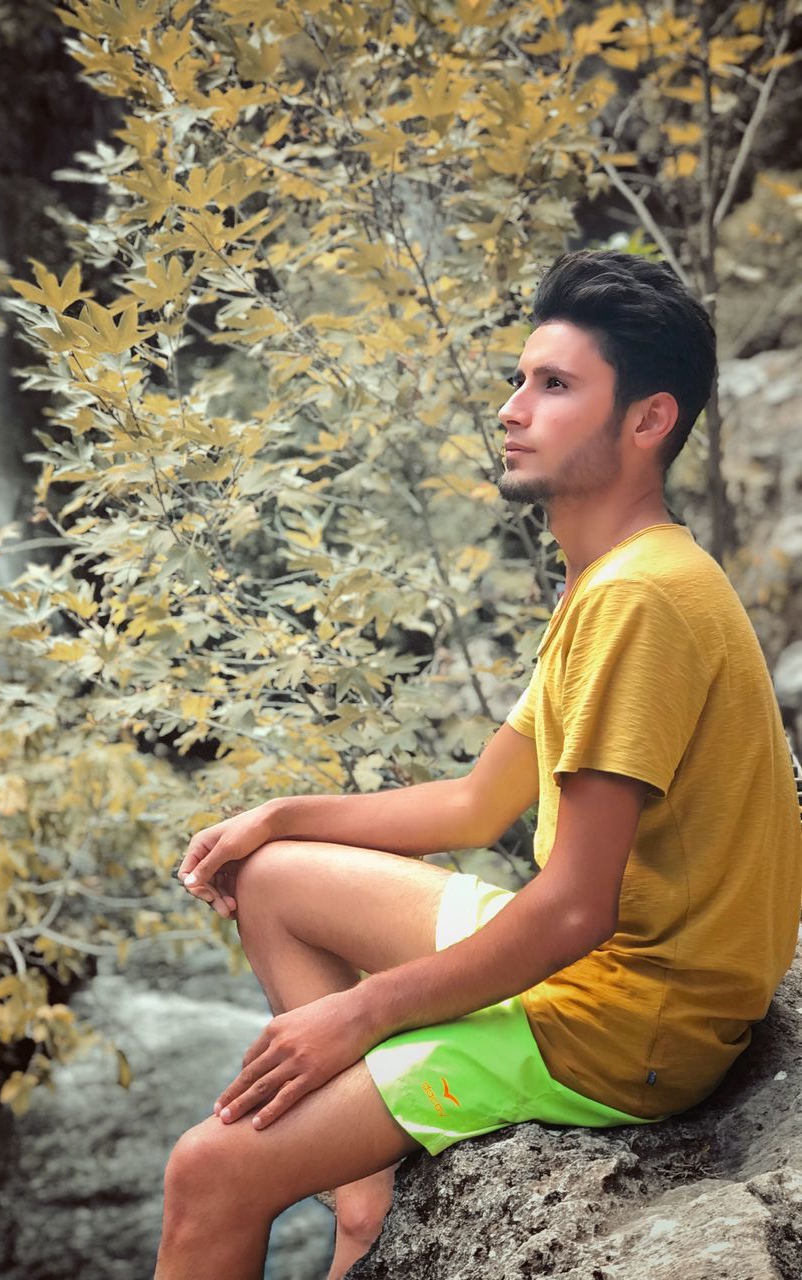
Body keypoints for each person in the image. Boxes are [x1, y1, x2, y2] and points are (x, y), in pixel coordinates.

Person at [154, 250, 802, 1280]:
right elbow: (477, 800)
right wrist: (277, 814)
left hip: (625, 1021)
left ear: (648, 421)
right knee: (271, 877)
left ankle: (338, 1156)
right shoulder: (611, 578)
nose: (512, 408)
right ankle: (362, 1199)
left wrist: (357, 1016)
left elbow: (576, 908)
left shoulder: (643, 600)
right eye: (518, 378)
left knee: (209, 1170)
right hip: (604, 963)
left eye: (554, 385)